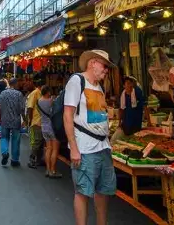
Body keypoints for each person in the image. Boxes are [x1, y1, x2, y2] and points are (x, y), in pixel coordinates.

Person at [64, 50, 116, 225]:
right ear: (93, 63)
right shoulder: (77, 81)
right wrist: (74, 148)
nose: (106, 70)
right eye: (104, 65)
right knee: (83, 192)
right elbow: (67, 115)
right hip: (85, 148)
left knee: (104, 191)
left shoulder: (99, 86)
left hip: (103, 146)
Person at [111, 76, 149, 144]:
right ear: (124, 86)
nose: (130, 85)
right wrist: (119, 123)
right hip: (125, 124)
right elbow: (121, 109)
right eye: (128, 83)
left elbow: (145, 106)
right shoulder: (123, 95)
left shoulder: (138, 92)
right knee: (113, 140)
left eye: (131, 83)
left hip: (136, 125)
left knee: (133, 144)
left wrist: (149, 121)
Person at [0, 77, 25, 167]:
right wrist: (24, 119)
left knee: (4, 138)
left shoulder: (3, 93)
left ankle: (5, 152)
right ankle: (14, 160)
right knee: (15, 140)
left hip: (5, 119)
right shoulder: (19, 94)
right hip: (16, 120)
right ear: (15, 84)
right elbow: (22, 108)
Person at [37, 85, 62, 179]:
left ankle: (48, 170)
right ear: (48, 92)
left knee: (48, 148)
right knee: (55, 149)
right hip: (52, 127)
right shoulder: (51, 101)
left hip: (44, 126)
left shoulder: (39, 101)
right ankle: (53, 170)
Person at [26, 76, 45, 169]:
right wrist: (29, 120)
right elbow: (30, 108)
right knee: (37, 142)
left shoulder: (41, 93)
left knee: (41, 142)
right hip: (36, 121)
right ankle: (32, 160)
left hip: (41, 121)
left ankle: (39, 160)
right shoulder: (35, 93)